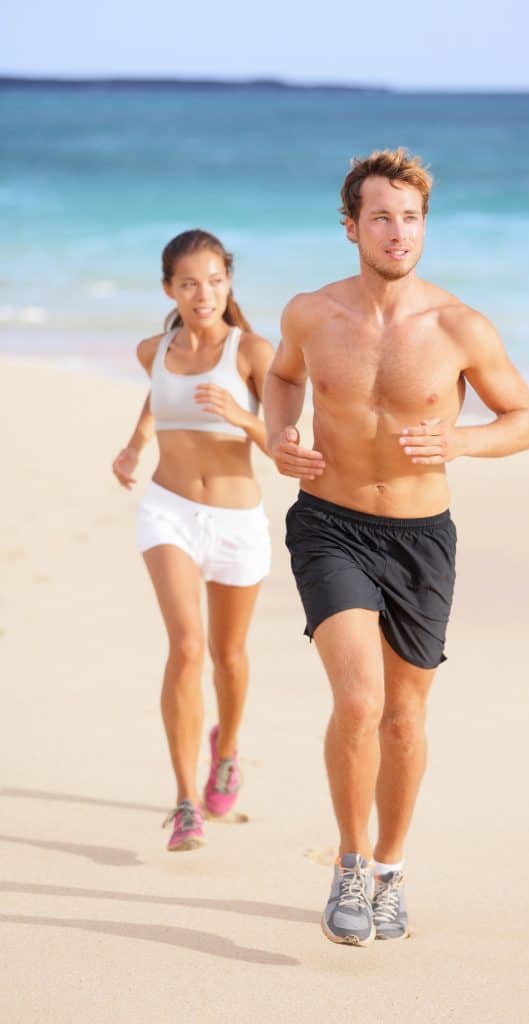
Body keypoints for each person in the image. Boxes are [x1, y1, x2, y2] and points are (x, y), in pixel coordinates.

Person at [264, 149, 529, 944]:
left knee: (403, 722)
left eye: (411, 218)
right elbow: (282, 378)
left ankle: (389, 871)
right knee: (360, 702)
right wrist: (280, 435)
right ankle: (349, 863)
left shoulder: (459, 326)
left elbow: (524, 421)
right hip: (329, 523)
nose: (398, 233)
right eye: (381, 217)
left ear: (425, 227)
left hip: (421, 538)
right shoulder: (311, 314)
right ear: (351, 226)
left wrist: (460, 440)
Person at [112, 229, 273, 852]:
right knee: (187, 647)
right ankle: (185, 803)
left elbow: (289, 448)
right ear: (168, 289)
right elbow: (159, 398)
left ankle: (225, 748)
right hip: (168, 510)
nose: (202, 293)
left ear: (228, 282)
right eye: (188, 283)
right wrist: (134, 445)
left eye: (213, 280)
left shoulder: (254, 352)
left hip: (237, 522)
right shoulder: (153, 349)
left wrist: (243, 418)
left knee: (229, 658)